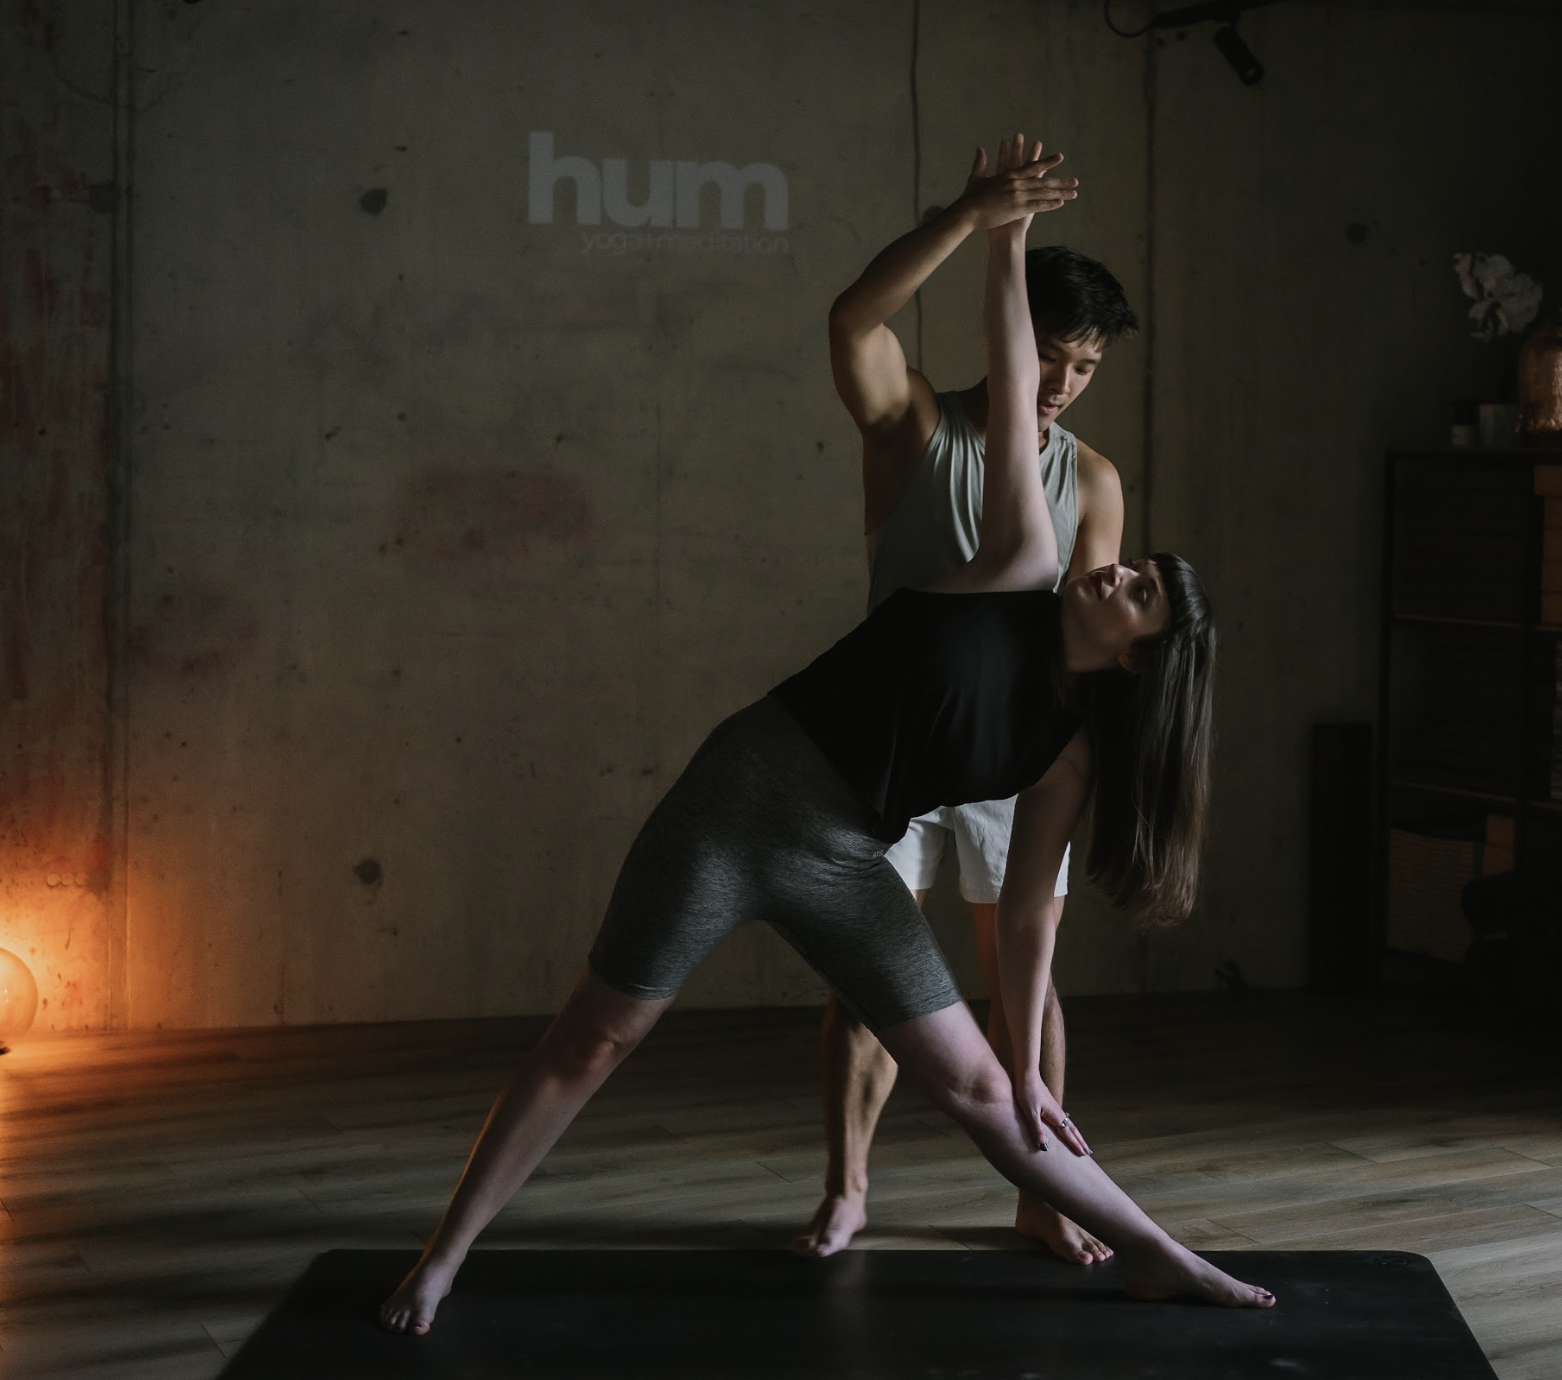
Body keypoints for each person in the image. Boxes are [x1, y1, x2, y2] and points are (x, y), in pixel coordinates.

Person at [375, 135, 1269, 1336]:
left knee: (977, 1090)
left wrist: (1019, 1067)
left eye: (1138, 591)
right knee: (596, 1038)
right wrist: (997, 233)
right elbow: (1007, 384)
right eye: (1132, 572)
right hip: (735, 802)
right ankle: (441, 1259)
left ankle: (1160, 1251)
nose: (1117, 576)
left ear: (1141, 658)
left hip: (842, 856)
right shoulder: (1018, 557)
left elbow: (1030, 910)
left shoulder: (1068, 754)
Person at [793, 140, 1136, 1266]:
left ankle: (1042, 1194)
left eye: (1086, 366)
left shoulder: (1088, 480)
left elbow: (1086, 637)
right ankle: (846, 1193)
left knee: (1020, 992)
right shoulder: (916, 426)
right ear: (1006, 330)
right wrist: (970, 216)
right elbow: (851, 319)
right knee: (866, 992)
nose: (1065, 381)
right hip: (889, 754)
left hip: (1006, 756)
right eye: (1051, 354)